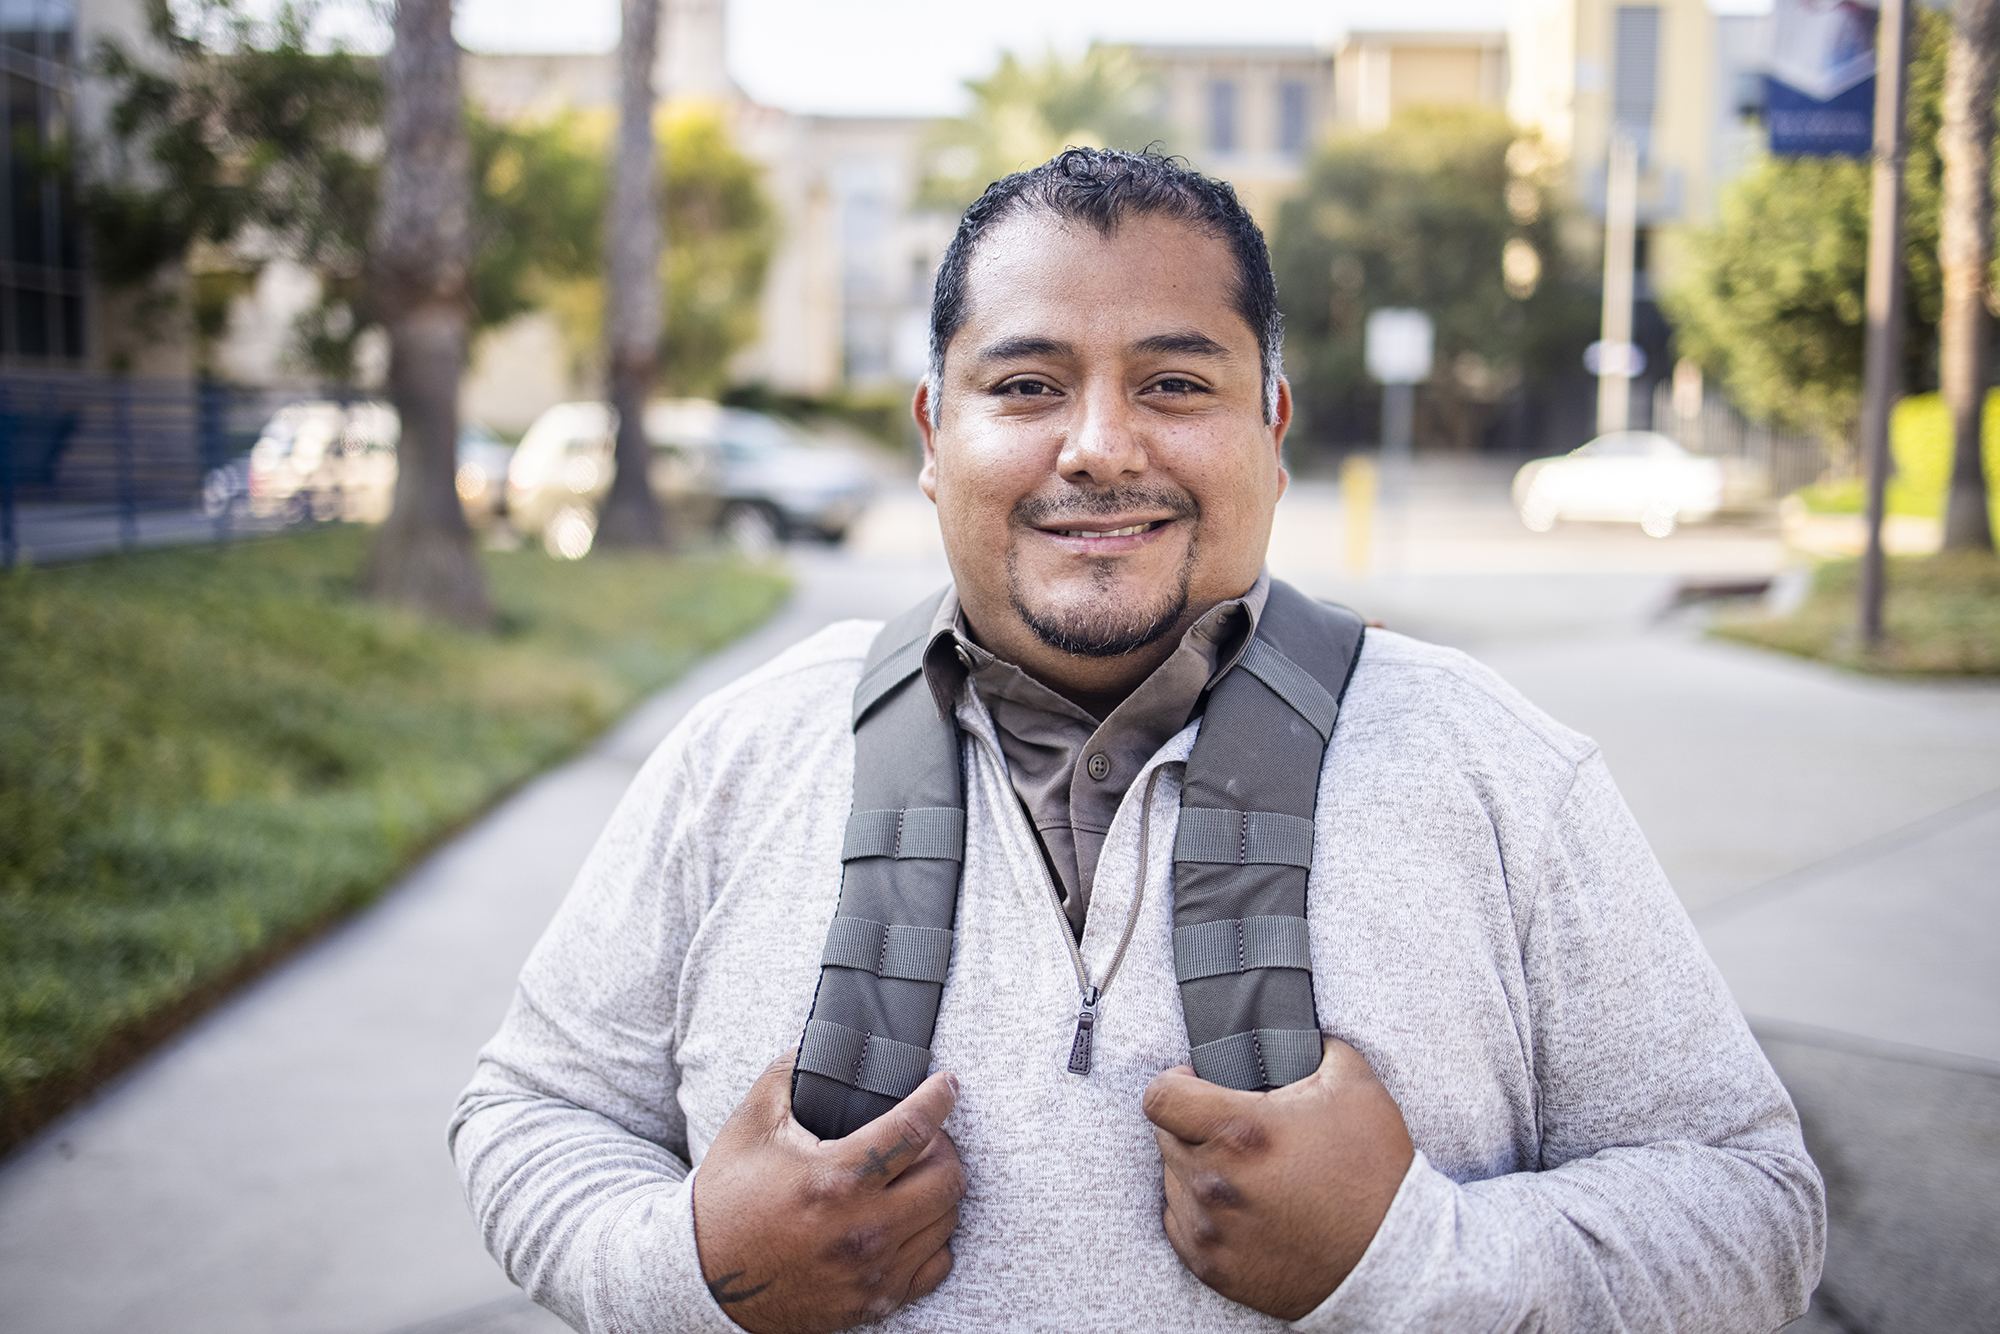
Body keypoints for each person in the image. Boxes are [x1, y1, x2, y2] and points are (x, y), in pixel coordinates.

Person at [450, 149, 1824, 1333]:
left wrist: (1414, 1263)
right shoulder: (740, 754)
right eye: (1029, 385)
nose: (1101, 446)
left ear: (1271, 429)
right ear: (937, 433)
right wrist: (695, 1268)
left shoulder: (1498, 768)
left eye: (1174, 384)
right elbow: (529, 1114)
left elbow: (1756, 1209)